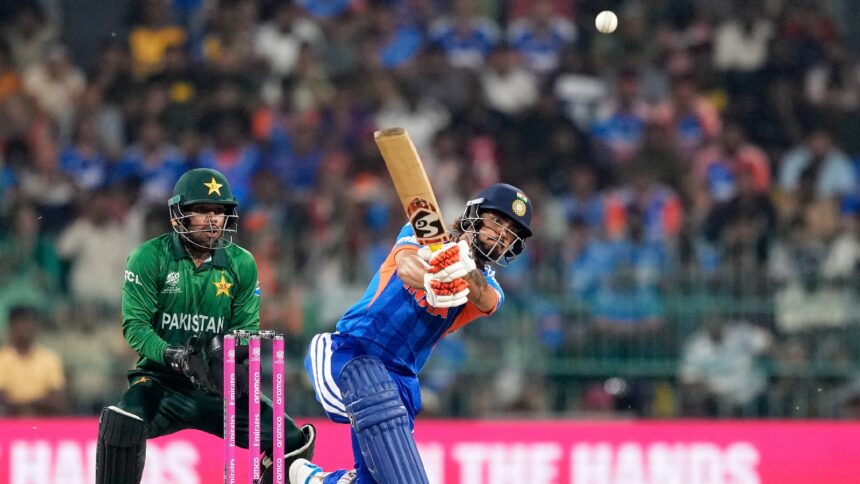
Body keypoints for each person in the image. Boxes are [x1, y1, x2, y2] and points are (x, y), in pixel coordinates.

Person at [291, 183, 534, 483]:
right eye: (497, 222)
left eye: (511, 233)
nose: (501, 235)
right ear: (475, 214)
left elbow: (484, 296)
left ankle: (307, 478)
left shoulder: (491, 288)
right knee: (377, 403)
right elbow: (406, 266)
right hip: (349, 354)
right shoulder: (425, 229)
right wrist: (432, 280)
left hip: (401, 384)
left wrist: (461, 270)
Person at [96, 167, 315, 484]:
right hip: (162, 381)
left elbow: (246, 331)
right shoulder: (149, 257)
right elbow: (135, 329)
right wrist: (175, 355)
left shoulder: (242, 264)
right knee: (121, 422)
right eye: (201, 210)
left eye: (219, 211)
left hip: (218, 388)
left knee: (293, 441)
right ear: (180, 214)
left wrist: (237, 360)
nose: (213, 219)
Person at [0, 305, 66, 416]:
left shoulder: (49, 358)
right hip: (11, 420)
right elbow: (2, 399)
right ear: (11, 327)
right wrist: (34, 404)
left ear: (35, 327)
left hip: (44, 419)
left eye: (27, 324)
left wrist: (23, 405)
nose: (24, 329)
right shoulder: (2, 358)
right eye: (19, 324)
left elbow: (57, 398)